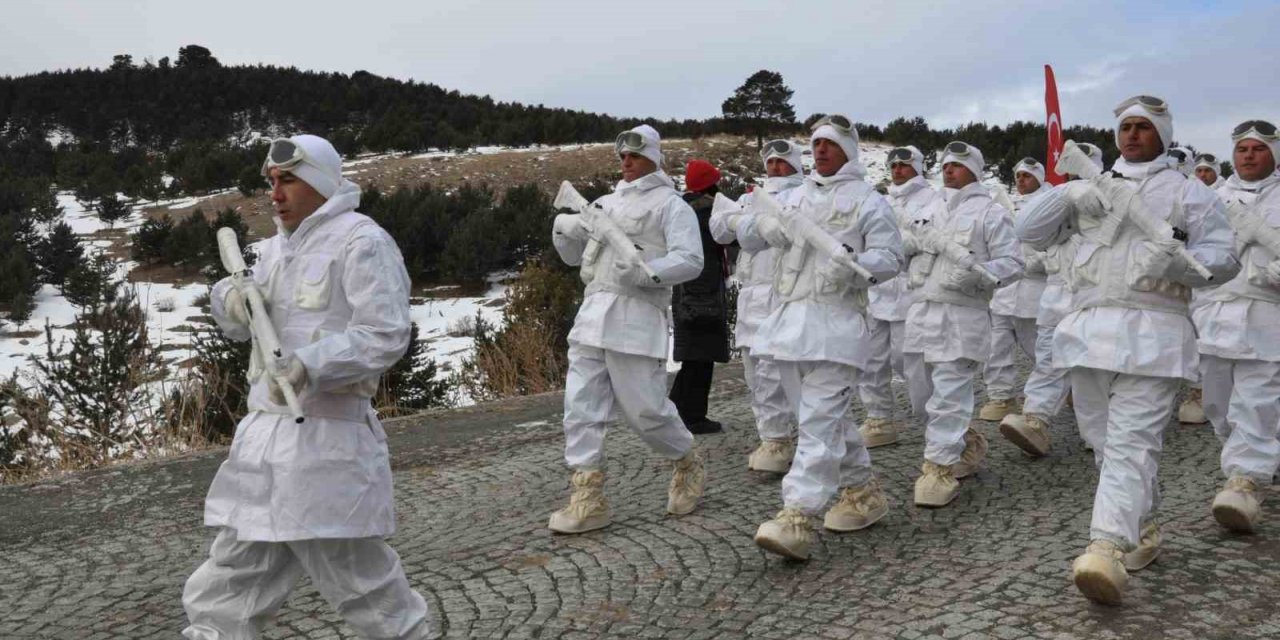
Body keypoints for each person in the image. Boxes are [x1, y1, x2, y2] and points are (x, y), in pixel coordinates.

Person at [182, 134, 430, 639]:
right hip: (263, 445)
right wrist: (232, 299)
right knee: (225, 590)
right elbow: (245, 317)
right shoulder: (274, 249)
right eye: (271, 181)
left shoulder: (363, 241)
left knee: (367, 591)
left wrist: (310, 365)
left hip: (325, 446)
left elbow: (385, 335)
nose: (275, 193)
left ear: (319, 181)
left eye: (288, 180)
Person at [1017, 95, 1238, 605]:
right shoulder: (1090, 185)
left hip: (1155, 330)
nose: (1134, 135)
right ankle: (1141, 523)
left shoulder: (1188, 194)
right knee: (1101, 441)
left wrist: (1177, 264)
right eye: (1126, 127)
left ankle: (1105, 547)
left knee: (1131, 442)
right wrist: (1068, 196)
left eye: (1144, 127)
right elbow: (1027, 232)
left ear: (1163, 133)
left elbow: (1221, 261)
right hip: (1089, 330)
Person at [742, 114, 903, 559]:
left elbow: (892, 256)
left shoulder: (870, 200)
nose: (820, 151)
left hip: (838, 323)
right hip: (790, 323)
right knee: (822, 418)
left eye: (830, 144)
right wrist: (765, 227)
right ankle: (862, 491)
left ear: (848, 150)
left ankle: (796, 514)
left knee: (816, 421)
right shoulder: (793, 195)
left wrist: (857, 262)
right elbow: (742, 230)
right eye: (815, 144)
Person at [548, 124, 706, 534]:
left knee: (647, 411)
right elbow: (572, 257)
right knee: (580, 407)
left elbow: (691, 260)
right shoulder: (604, 203)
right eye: (622, 157)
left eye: (634, 156)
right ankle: (588, 496)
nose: (626, 163)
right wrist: (564, 230)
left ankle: (687, 462)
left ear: (653, 156)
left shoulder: (672, 206)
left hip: (636, 317)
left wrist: (648, 273)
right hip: (593, 313)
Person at [902, 141, 1024, 507]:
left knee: (950, 391)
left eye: (957, 165)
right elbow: (901, 243)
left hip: (962, 313)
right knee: (920, 393)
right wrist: (907, 244)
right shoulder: (926, 206)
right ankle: (964, 440)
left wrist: (979, 276)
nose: (949, 170)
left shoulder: (990, 213)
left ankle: (938, 466)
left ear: (975, 169)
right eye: (945, 164)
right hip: (922, 309)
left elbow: (1013, 262)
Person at [1192, 120, 1280, 533]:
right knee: (1218, 405)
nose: (1248, 155)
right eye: (1242, 149)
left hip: (1266, 315)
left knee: (1257, 399)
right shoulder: (1211, 199)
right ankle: (1250, 460)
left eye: (1258, 149)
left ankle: (1245, 479)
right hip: (1214, 313)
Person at [1000, 145, 1105, 456]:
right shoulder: (1057, 200)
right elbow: (1029, 235)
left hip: (1095, 294)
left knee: (1094, 366)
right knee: (1048, 358)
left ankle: (1101, 432)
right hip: (1057, 291)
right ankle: (1036, 420)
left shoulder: (1115, 199)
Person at [710, 139, 805, 472]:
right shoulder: (750, 198)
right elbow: (719, 228)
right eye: (771, 162)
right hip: (752, 296)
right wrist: (741, 222)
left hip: (786, 293)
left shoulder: (804, 195)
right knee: (756, 372)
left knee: (787, 371)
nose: (776, 167)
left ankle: (806, 436)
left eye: (782, 161)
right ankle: (774, 438)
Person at [857, 145, 943, 448]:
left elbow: (935, 239)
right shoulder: (878, 201)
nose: (897, 170)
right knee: (870, 360)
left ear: (917, 167)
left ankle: (934, 419)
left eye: (904, 165)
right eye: (892, 165)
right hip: (878, 291)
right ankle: (879, 418)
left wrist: (906, 242)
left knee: (910, 362)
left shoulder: (934, 200)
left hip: (911, 292)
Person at [980, 158, 1051, 423]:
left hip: (1034, 293)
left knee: (1038, 349)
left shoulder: (1052, 206)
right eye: (1018, 175)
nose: (1021, 180)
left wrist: (1037, 263)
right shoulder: (1001, 206)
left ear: (1040, 178)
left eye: (1027, 176)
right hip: (1004, 293)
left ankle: (1052, 393)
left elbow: (1060, 249)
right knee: (996, 347)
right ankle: (1001, 395)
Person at [669, 159, 731, 434]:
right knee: (700, 361)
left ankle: (676, 412)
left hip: (685, 292)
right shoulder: (707, 213)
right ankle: (692, 417)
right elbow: (731, 238)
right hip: (702, 296)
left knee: (693, 359)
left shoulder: (682, 210)